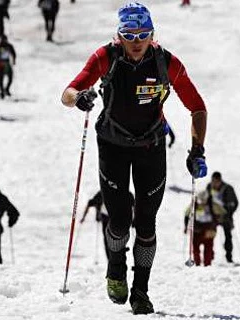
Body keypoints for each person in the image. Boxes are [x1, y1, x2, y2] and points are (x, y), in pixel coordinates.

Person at [61, 2, 207, 314]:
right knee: (119, 220)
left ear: (152, 34)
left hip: (150, 147)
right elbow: (69, 92)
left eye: (144, 34)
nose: (137, 40)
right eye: (130, 34)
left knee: (146, 223)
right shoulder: (107, 56)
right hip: (112, 144)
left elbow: (197, 106)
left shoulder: (165, 62)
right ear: (120, 35)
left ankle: (140, 290)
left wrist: (197, 150)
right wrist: (80, 98)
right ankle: (116, 267)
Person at [81, 190, 134, 260]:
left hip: (119, 218)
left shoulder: (125, 193)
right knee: (110, 239)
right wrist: (83, 217)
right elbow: (90, 203)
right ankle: (111, 259)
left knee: (118, 237)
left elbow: (134, 205)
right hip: (107, 218)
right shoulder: (102, 193)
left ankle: (116, 257)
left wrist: (134, 220)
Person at [206, 172, 238, 263]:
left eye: (216, 181)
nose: (214, 183)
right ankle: (209, 256)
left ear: (220, 181)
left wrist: (229, 213)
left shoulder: (228, 188)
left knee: (228, 236)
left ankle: (229, 256)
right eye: (212, 181)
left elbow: (235, 203)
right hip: (213, 216)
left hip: (225, 216)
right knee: (209, 236)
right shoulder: (209, 187)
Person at [184, 190, 222, 266]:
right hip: (197, 229)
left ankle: (207, 265)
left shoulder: (213, 205)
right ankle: (197, 264)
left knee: (208, 248)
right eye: (200, 200)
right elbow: (187, 214)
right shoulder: (194, 205)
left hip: (209, 229)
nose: (202, 203)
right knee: (195, 248)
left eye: (204, 200)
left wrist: (215, 225)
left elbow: (221, 214)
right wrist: (186, 226)